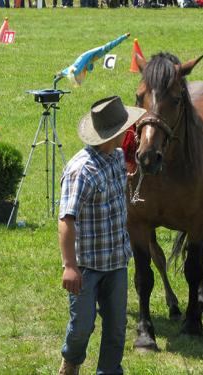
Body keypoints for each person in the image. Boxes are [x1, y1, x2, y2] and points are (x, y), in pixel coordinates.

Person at [58, 96, 145, 375]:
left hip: (116, 261)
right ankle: (71, 362)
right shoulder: (81, 170)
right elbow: (66, 220)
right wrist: (70, 266)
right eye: (126, 129)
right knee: (82, 326)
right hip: (86, 267)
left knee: (117, 328)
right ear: (116, 133)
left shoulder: (117, 157)